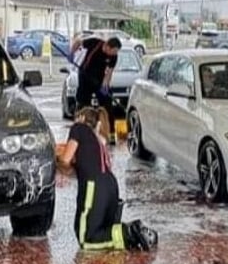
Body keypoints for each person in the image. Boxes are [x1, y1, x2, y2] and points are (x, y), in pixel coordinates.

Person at [56, 107, 157, 251]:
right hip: (110, 186)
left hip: (95, 186)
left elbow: (65, 160)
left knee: (86, 240)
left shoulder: (79, 128)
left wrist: (55, 158)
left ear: (82, 118)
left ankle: (130, 232)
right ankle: (135, 233)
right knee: (101, 230)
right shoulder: (98, 139)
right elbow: (81, 166)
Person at [69, 36, 121, 144]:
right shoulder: (95, 43)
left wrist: (105, 85)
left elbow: (109, 73)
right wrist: (72, 53)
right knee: (83, 105)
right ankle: (80, 133)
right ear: (107, 46)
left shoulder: (114, 57)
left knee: (107, 106)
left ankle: (111, 134)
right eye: (113, 51)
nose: (114, 54)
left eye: (116, 52)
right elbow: (78, 41)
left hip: (99, 80)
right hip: (85, 76)